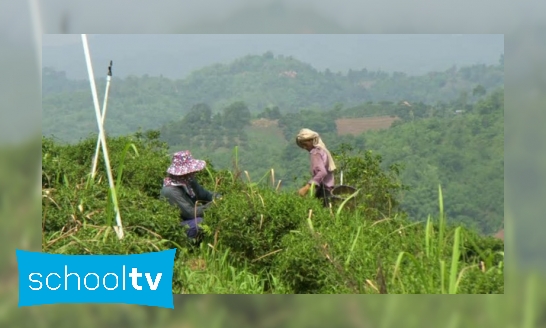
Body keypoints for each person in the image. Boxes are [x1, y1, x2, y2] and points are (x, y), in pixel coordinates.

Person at [159, 150, 221, 243]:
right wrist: (214, 205)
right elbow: (191, 213)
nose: (193, 173)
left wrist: (219, 197)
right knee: (200, 222)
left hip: (189, 219)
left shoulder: (189, 182)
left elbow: (205, 194)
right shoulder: (171, 191)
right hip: (178, 225)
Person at [295, 128, 337, 207]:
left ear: (311, 141)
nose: (304, 147)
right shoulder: (322, 150)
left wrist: (307, 187)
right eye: (302, 145)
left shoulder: (315, 152)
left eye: (305, 144)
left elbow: (322, 172)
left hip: (324, 190)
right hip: (328, 190)